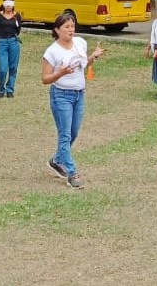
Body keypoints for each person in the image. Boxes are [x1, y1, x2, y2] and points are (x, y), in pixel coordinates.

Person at [41, 13, 104, 189]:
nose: (71, 29)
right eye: (67, 27)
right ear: (57, 30)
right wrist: (60, 73)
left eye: (72, 25)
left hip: (79, 94)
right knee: (65, 135)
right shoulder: (52, 52)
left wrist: (93, 57)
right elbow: (45, 79)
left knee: (74, 132)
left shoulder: (80, 43)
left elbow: (83, 65)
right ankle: (72, 173)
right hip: (61, 95)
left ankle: (57, 161)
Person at [0, 0, 23, 98]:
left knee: (13, 67)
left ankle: (10, 89)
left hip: (14, 42)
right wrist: (1, 39)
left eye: (10, 5)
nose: (8, 7)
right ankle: (1, 89)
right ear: (3, 5)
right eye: (6, 4)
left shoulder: (17, 16)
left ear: (13, 5)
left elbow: (18, 30)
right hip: (2, 42)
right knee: (2, 68)